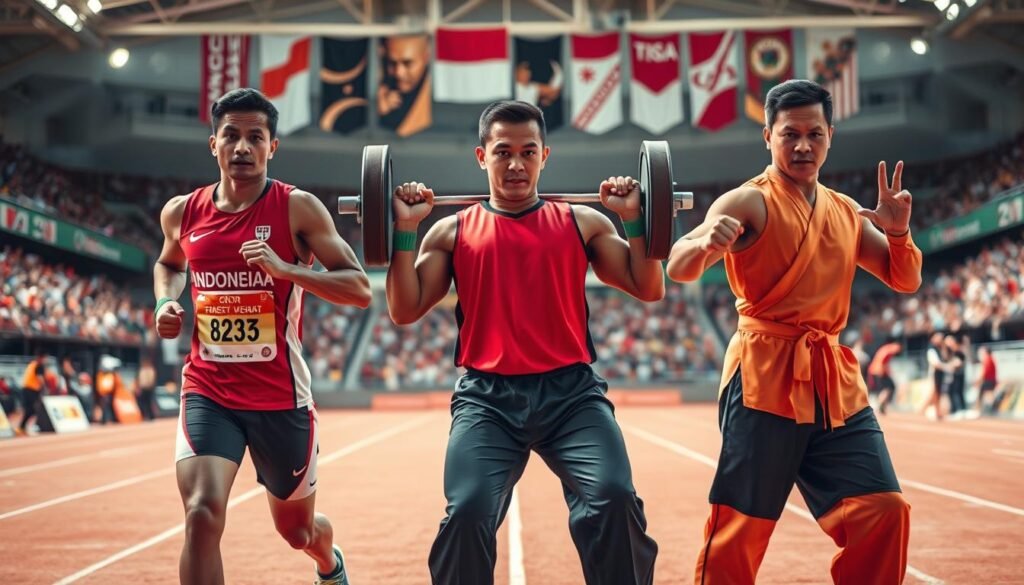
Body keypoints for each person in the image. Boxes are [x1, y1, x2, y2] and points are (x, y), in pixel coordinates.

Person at [386, 100, 660, 584]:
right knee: (467, 511)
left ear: (544, 156)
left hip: (572, 397)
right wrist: (406, 229)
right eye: (503, 152)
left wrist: (635, 219)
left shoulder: (583, 222)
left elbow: (648, 286)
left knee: (614, 498)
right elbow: (404, 310)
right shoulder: (451, 231)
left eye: (527, 151)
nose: (515, 164)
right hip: (488, 401)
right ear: (481, 156)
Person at [665, 79, 921, 584]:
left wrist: (897, 231)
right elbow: (677, 265)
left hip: (834, 384)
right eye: (789, 134)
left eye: (814, 134)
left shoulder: (846, 212)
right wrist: (706, 245)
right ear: (767, 137)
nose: (803, 145)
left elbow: (904, 279)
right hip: (764, 379)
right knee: (742, 526)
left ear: (831, 136)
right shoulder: (746, 202)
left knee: (884, 509)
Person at [153, 87, 371, 585]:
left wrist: (286, 269)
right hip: (209, 390)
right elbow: (169, 263)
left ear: (273, 147)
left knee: (297, 531)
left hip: (280, 397)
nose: (243, 148)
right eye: (232, 136)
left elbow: (358, 288)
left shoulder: (297, 209)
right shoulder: (182, 212)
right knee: (201, 513)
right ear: (214, 144)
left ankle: (328, 561)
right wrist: (167, 300)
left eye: (256, 137)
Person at [377, 35, 431, 137]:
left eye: (407, 63)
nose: (399, 73)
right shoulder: (381, 86)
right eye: (392, 63)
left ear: (426, 57)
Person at [866, 339, 902, 415]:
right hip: (879, 372)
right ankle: (880, 405)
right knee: (888, 387)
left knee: (888, 387)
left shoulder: (887, 348)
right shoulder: (890, 350)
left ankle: (882, 406)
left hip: (876, 371)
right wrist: (885, 372)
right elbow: (882, 361)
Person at [17, 349, 46, 436]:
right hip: (31, 390)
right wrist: (45, 388)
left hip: (26, 389)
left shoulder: (32, 364)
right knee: (32, 409)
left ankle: (22, 427)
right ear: (42, 357)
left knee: (29, 410)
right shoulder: (39, 365)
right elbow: (40, 378)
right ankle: (22, 427)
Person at [971, 345, 998, 416]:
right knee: (985, 395)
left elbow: (984, 372)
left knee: (984, 395)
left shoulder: (987, 359)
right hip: (990, 380)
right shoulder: (990, 359)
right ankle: (981, 410)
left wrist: (977, 381)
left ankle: (979, 410)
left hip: (988, 380)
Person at [136, 354, 157, 421]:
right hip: (143, 388)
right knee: (144, 403)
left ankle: (151, 416)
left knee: (148, 402)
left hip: (148, 388)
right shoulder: (142, 370)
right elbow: (139, 380)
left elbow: (151, 379)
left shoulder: (150, 370)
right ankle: (145, 415)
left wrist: (150, 385)